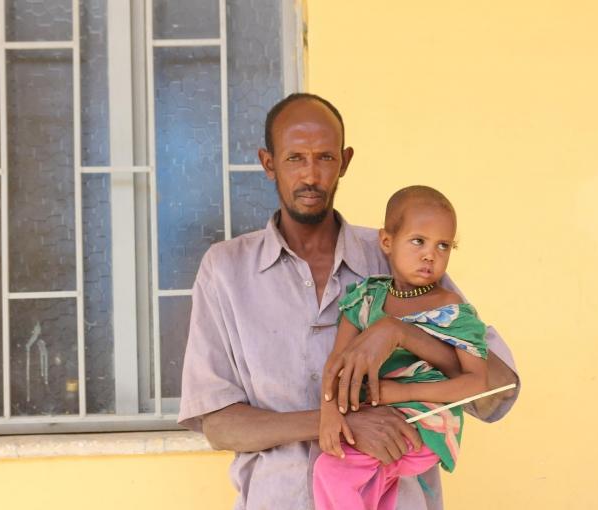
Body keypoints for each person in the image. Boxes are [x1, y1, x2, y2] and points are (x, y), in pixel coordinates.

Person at [178, 93, 520, 510]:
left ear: (345, 161)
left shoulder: (399, 256)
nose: (310, 175)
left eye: (324, 158)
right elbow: (220, 426)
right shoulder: (226, 271)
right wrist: (338, 421)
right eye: (294, 159)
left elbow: (496, 391)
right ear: (268, 163)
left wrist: (399, 333)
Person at [314, 186, 489, 510]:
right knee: (371, 491)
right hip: (381, 419)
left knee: (332, 472)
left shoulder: (450, 308)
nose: (430, 255)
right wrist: (328, 413)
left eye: (443, 245)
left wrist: (400, 393)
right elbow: (336, 360)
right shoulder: (366, 298)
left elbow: (477, 383)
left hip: (427, 423)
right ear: (386, 242)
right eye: (418, 241)